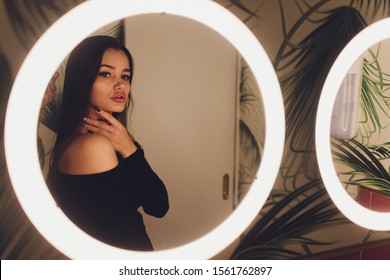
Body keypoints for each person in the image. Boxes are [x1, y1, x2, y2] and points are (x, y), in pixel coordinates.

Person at [46, 35, 169, 251]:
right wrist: (131, 151)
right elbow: (154, 208)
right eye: (105, 73)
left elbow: (158, 205)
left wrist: (129, 148)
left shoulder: (109, 137)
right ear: (83, 79)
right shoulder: (95, 146)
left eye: (126, 76)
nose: (120, 84)